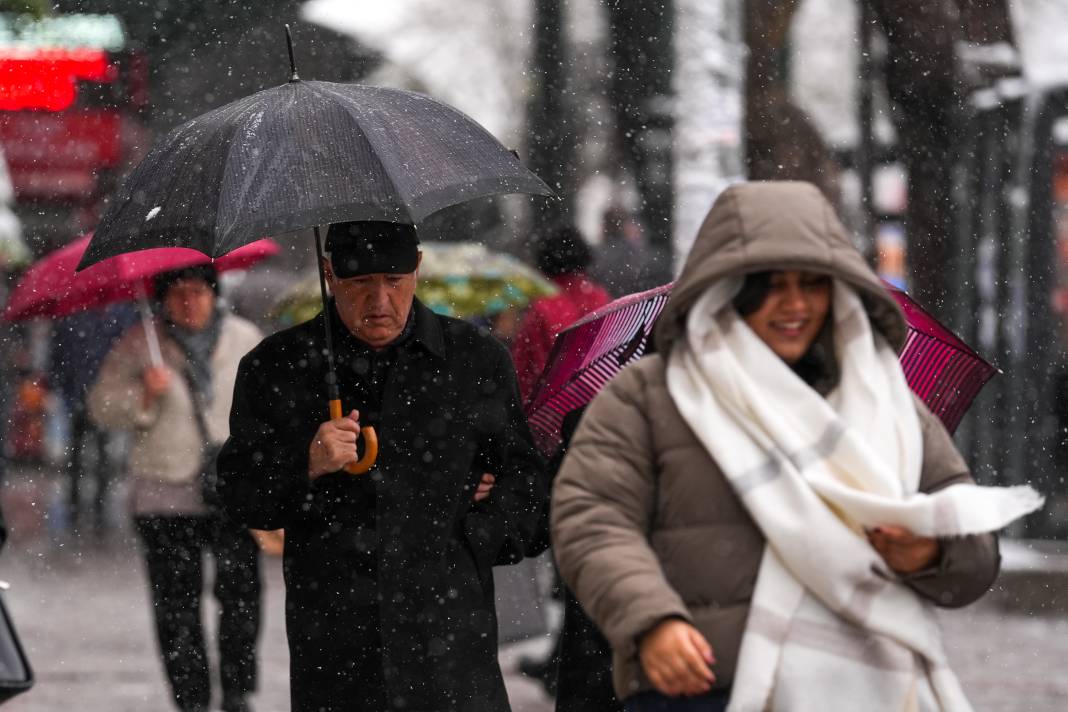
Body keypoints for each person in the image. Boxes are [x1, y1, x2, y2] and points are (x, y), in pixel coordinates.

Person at [551, 182, 1042, 711]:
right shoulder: (651, 394)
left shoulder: (883, 399)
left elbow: (969, 541)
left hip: (858, 691)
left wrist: (931, 552)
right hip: (702, 689)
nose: (795, 304)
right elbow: (592, 517)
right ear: (730, 290)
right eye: (770, 286)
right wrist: (651, 619)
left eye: (812, 284)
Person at [216, 221, 545, 712]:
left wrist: (477, 537)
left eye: (394, 281)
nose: (380, 301)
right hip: (336, 645)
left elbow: (530, 487)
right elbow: (240, 495)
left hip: (450, 642)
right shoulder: (278, 366)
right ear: (329, 275)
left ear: (417, 269)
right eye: (361, 284)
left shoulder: (474, 360)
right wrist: (308, 463)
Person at [88, 264, 264, 712]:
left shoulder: (244, 338)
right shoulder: (140, 344)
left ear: (214, 294)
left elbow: (271, 404)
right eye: (178, 293)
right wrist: (144, 395)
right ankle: (191, 699)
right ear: (162, 299)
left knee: (241, 598)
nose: (189, 302)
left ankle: (238, 691)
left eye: (198, 291)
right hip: (164, 494)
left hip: (233, 489)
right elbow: (102, 407)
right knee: (175, 606)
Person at [511, 225, 612, 403]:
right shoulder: (601, 298)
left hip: (552, 406)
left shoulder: (541, 306)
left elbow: (523, 368)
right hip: (598, 400)